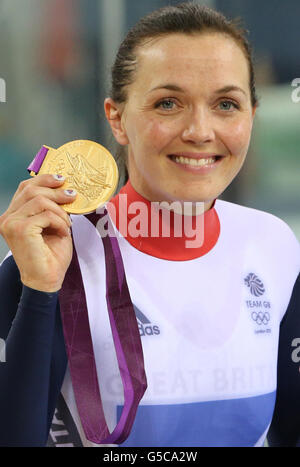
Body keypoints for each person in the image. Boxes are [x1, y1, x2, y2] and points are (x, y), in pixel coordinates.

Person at [0, 2, 299, 448]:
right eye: (168, 103)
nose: (200, 130)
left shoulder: (274, 244)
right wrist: (41, 289)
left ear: (251, 115)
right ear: (116, 118)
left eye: (226, 104)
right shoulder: (51, 255)